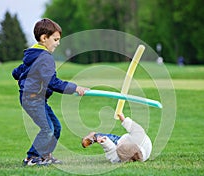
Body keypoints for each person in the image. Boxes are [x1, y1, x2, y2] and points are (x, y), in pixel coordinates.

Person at [12, 18, 89, 166]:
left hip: (37, 99)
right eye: (55, 39)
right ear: (44, 38)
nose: (58, 43)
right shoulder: (44, 57)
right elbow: (53, 82)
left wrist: (23, 79)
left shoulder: (33, 54)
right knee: (47, 129)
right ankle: (31, 158)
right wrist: (75, 88)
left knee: (56, 127)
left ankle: (45, 155)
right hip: (32, 99)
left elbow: (16, 72)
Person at [82, 114, 152, 163]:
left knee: (105, 139)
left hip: (125, 147)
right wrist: (124, 120)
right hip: (125, 139)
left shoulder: (120, 157)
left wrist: (105, 143)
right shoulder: (138, 137)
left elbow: (112, 153)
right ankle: (94, 136)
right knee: (113, 139)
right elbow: (135, 128)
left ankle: (96, 138)